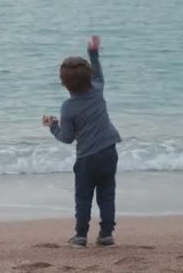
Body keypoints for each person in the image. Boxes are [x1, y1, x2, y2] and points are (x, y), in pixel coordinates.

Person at [42, 35, 122, 248]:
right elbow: (98, 70)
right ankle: (106, 235)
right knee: (107, 195)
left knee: (83, 198)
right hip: (108, 151)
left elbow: (67, 137)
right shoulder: (97, 90)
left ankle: (80, 235)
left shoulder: (68, 107)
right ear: (90, 77)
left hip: (87, 159)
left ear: (63, 83)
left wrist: (53, 126)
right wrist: (93, 52)